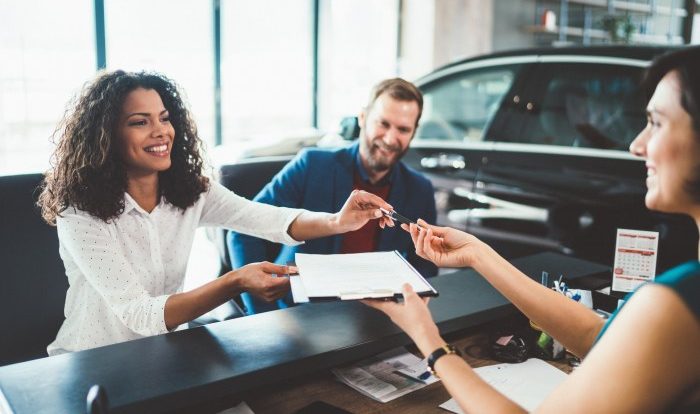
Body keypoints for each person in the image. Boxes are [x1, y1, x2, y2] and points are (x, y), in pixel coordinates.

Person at [364, 47, 700, 413]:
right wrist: (478, 253)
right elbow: (597, 335)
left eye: (657, 123)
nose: (637, 145)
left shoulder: (679, 301)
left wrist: (428, 339)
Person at [38, 70, 394, 355]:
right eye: (140, 122)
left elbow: (268, 219)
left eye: (164, 118)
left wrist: (338, 221)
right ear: (107, 135)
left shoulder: (190, 191)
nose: (161, 131)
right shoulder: (79, 212)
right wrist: (234, 281)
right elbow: (140, 314)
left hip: (159, 354)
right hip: (92, 361)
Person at [229, 78, 437, 314]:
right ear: (362, 118)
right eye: (383, 123)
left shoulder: (420, 188)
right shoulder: (311, 165)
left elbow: (425, 262)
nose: (390, 139)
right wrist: (262, 315)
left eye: (403, 129)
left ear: (413, 133)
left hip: (377, 316)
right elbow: (242, 231)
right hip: (300, 312)